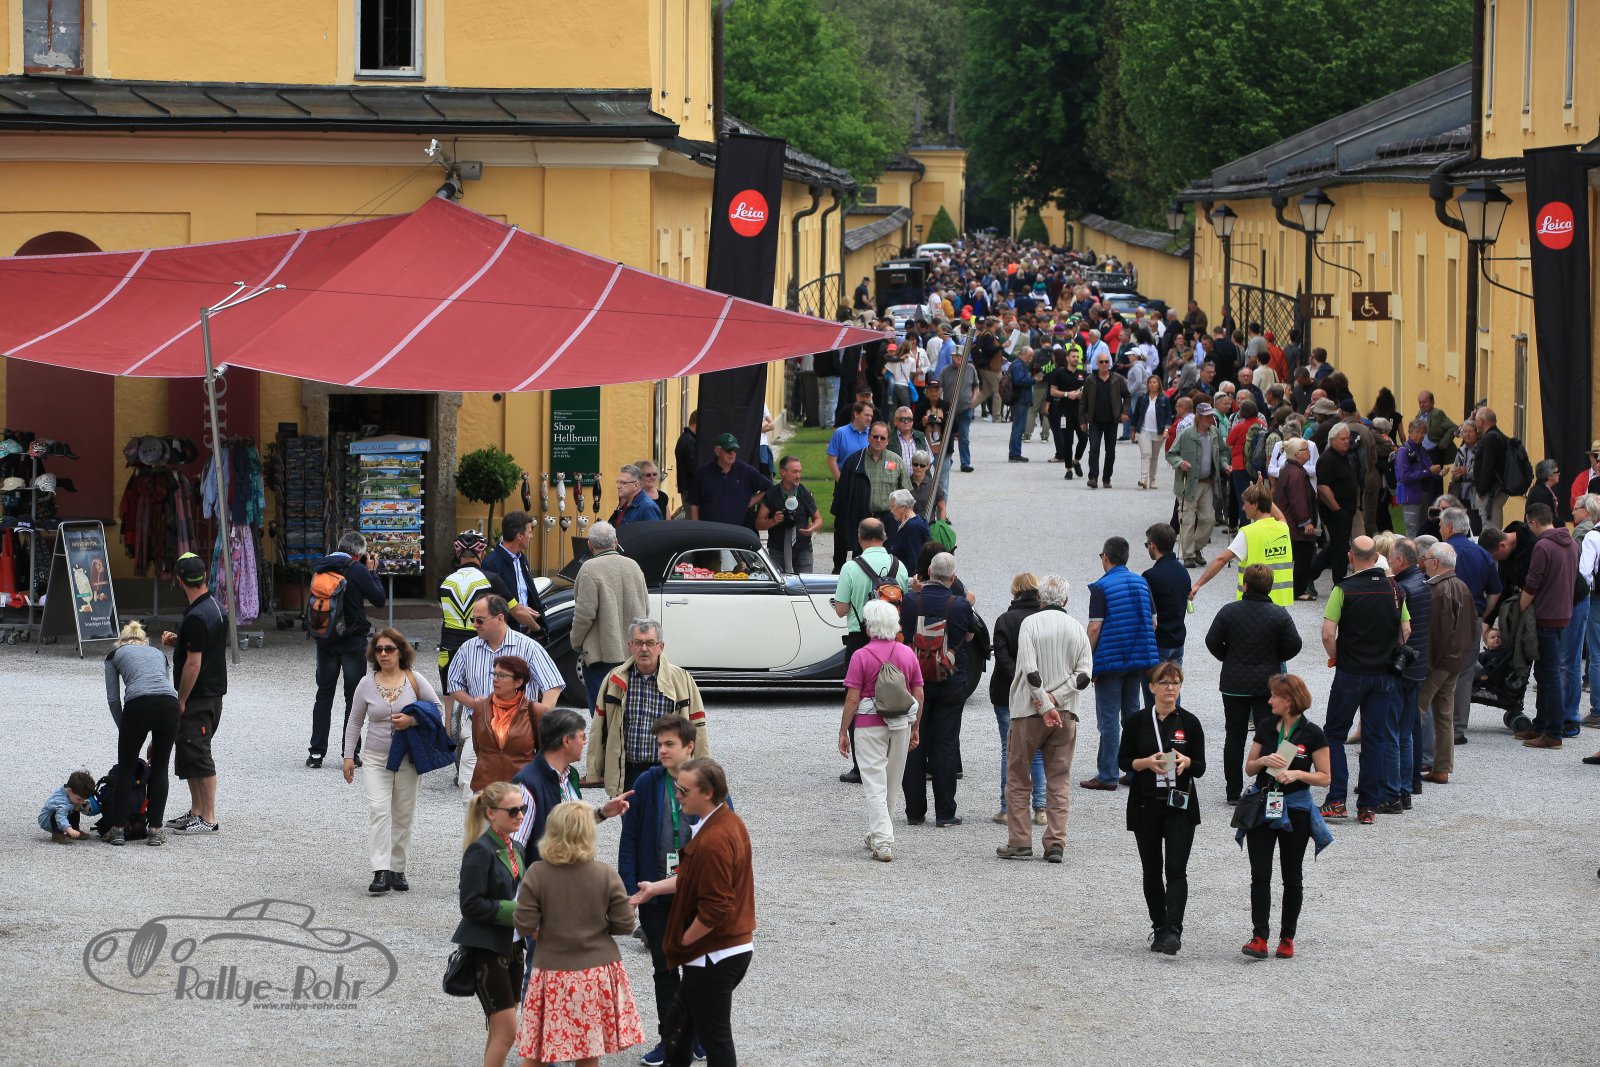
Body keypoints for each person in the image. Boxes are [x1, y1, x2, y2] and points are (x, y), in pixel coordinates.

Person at [627, 759, 755, 1067]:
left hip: (716, 955)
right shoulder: (721, 823)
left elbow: (715, 907)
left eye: (684, 791)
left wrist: (683, 944)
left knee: (713, 1037)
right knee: (679, 1027)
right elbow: (696, 876)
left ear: (707, 793)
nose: (678, 795)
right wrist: (654, 888)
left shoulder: (714, 840)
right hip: (724, 951)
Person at [513, 800, 643, 1067]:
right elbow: (625, 924)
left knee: (538, 1048)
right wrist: (599, 926)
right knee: (588, 1050)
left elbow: (524, 923)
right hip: (595, 970)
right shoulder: (605, 874)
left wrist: (542, 926)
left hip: (551, 970)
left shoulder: (538, 873)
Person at [619, 715, 716, 1065]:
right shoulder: (647, 782)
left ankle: (698, 1034)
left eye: (669, 744)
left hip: (696, 895)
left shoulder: (707, 782)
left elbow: (724, 834)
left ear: (689, 746)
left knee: (698, 969)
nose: (661, 750)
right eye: (659, 744)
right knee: (664, 969)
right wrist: (629, 889)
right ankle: (669, 1039)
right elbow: (629, 837)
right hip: (654, 893)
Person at [998, 574, 1092, 863]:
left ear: (1039, 598)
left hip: (1028, 712)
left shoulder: (1030, 624)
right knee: (1059, 780)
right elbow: (1084, 675)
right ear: (1066, 600)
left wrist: (1044, 702)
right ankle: (1055, 843)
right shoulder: (1077, 628)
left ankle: (1019, 841)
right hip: (1066, 714)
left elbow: (1029, 669)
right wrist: (1057, 699)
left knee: (1018, 777)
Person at [1240, 674, 1333, 961]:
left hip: (1296, 809)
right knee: (1260, 874)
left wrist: (1297, 774)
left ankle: (1287, 938)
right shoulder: (1266, 727)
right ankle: (1259, 936)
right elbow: (1249, 768)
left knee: (1292, 875)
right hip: (1263, 805)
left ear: (1289, 700)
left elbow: (1325, 777)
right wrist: (1263, 761)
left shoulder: (1313, 733)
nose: (1269, 701)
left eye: (1274, 696)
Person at [342, 627, 443, 894]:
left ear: (401, 651)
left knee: (403, 814)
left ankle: (398, 869)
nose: (384, 654)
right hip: (375, 758)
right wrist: (348, 756)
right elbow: (354, 721)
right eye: (379, 649)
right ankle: (380, 870)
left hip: (408, 758)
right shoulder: (366, 683)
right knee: (378, 810)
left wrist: (412, 720)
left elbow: (437, 709)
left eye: (389, 649)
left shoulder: (415, 679)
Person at [1118, 660, 1206, 953]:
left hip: (1179, 804)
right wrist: (1145, 763)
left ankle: (1174, 930)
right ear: (1152, 687)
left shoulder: (1189, 722)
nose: (1171, 688)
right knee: (1152, 868)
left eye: (1175, 683)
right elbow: (1123, 760)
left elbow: (1201, 767)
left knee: (1177, 869)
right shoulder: (1137, 721)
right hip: (1146, 803)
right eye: (1165, 682)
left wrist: (1187, 761)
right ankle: (1158, 927)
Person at [1320, 536, 1410, 824]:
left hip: (1350, 672)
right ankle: (1368, 805)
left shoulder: (1343, 589)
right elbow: (1406, 630)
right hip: (1383, 674)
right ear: (1376, 558)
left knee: (1334, 733)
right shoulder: (1394, 589)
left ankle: (1337, 799)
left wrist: (1336, 656)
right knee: (1375, 738)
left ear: (1351, 556)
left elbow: (1328, 633)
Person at [448, 595, 564, 802]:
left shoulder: (528, 647)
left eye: (480, 620)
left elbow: (553, 685)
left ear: (500, 618)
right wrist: (474, 704)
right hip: (480, 727)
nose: (474, 625)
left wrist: (540, 717)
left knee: (518, 794)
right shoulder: (467, 649)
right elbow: (454, 685)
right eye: (473, 620)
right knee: (471, 792)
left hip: (520, 729)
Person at [1205, 565, 1302, 803]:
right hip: (1266, 686)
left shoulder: (1228, 611)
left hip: (1233, 683)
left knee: (1234, 736)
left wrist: (1227, 657)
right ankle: (1266, 785)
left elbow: (1212, 640)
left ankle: (1232, 791)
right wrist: (1275, 656)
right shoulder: (1279, 614)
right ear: (1270, 587)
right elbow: (1294, 644)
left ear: (1245, 585)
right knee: (1269, 735)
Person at [839, 600, 926, 863]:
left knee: (874, 784)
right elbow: (919, 693)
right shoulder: (907, 653)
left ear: (870, 627)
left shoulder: (861, 656)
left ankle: (883, 841)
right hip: (900, 724)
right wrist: (916, 727)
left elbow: (852, 699)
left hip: (869, 725)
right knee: (891, 783)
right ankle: (878, 834)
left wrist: (843, 731)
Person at [455, 781, 530, 1067]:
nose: (520, 815)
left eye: (522, 809)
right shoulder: (479, 851)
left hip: (514, 947)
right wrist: (518, 911)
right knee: (507, 1033)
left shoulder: (516, 847)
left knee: (500, 1031)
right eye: (513, 811)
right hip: (487, 950)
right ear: (490, 813)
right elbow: (470, 905)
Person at [589, 618, 710, 796]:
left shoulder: (682, 679)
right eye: (638, 643)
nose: (644, 649)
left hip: (669, 771)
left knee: (668, 814)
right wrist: (594, 770)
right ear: (630, 646)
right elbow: (598, 728)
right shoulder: (614, 679)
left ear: (661, 647)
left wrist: (704, 772)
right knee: (630, 815)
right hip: (628, 772)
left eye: (650, 643)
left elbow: (698, 728)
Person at [900, 552, 976, 826]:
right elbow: (969, 636)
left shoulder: (911, 601)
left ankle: (914, 811)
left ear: (929, 572)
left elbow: (903, 632)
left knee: (913, 743)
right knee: (945, 745)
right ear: (952, 578)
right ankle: (945, 812)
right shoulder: (960, 605)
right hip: (949, 681)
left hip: (914, 680)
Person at [832, 518, 910, 783]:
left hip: (860, 638)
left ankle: (861, 764)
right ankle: (892, 756)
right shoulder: (899, 566)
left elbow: (841, 609)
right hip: (892, 637)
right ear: (885, 537)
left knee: (859, 697)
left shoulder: (851, 568)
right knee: (894, 692)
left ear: (859, 537)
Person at [1082, 538, 1159, 791]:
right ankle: (1133, 769)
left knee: (1109, 719)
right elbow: (1154, 622)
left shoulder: (1101, 587)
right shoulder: (1142, 583)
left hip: (1110, 661)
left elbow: (1095, 627)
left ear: (1105, 556)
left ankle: (1107, 774)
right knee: (1132, 715)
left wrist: (1087, 660)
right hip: (1138, 660)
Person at [307, 531, 387, 768]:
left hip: (325, 639)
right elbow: (379, 599)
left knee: (324, 695)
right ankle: (350, 752)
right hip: (352, 640)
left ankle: (316, 753)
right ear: (359, 553)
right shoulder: (357, 570)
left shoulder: (322, 567)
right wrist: (372, 572)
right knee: (353, 697)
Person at [160, 551, 225, 836]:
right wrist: (180, 641)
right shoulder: (214, 606)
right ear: (205, 576)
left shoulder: (197, 616)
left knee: (199, 754)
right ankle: (196, 810)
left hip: (198, 696)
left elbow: (194, 663)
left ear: (180, 580)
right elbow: (204, 647)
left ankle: (208, 817)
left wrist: (181, 699)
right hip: (212, 693)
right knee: (189, 752)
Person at [512, 710, 634, 862]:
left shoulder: (569, 775)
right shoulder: (527, 785)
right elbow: (515, 847)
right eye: (582, 737)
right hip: (547, 875)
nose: (585, 742)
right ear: (566, 741)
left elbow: (571, 824)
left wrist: (602, 813)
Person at [102, 620, 179, 846]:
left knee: (126, 768)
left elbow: (113, 699)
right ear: (144, 641)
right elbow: (165, 685)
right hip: (169, 705)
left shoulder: (114, 655)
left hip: (137, 704)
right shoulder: (159, 654)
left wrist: (124, 728)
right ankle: (155, 830)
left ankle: (118, 830)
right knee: (160, 767)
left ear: (122, 641)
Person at [439, 530, 518, 736]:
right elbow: (515, 609)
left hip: (449, 646)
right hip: (480, 643)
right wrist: (536, 626)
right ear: (482, 554)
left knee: (450, 695)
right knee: (489, 690)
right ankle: (493, 734)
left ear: (458, 554)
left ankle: (449, 738)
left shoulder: (443, 581)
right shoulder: (492, 579)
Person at [1515, 503, 1580, 750]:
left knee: (1549, 676)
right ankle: (1541, 725)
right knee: (1544, 673)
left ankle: (1552, 733)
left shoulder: (1543, 546)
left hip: (1545, 616)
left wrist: (1519, 610)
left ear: (1533, 522)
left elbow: (1532, 585)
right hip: (1564, 614)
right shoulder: (1571, 543)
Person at [569, 521, 649, 712]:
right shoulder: (633, 566)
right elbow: (645, 608)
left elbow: (584, 615)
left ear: (590, 544)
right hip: (632, 652)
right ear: (616, 542)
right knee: (628, 711)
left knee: (602, 714)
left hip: (600, 654)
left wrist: (576, 642)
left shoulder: (589, 568)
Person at [990, 573, 1048, 828]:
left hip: (1007, 692)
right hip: (1040, 692)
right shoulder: (1044, 619)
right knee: (1038, 750)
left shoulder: (1005, 619)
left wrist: (1019, 681)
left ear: (1015, 592)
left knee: (1010, 749)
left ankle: (1008, 808)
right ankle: (1041, 807)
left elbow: (1002, 657)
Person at [1417, 542, 1476, 786]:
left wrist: (1426, 666)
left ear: (1435, 562)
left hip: (1437, 662)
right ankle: (1441, 768)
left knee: (1416, 711)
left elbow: (1435, 633)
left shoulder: (1437, 590)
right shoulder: (1462, 586)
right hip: (1455, 660)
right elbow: (1471, 625)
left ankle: (1409, 765)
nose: (1424, 561)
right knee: (1444, 715)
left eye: (1426, 557)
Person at [1188, 481, 1294, 606]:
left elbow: (1222, 560)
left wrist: (1198, 584)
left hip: (1253, 602)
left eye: (1245, 503)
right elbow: (1280, 516)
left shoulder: (1248, 533)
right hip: (1280, 602)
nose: (1243, 508)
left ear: (1255, 504)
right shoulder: (1283, 528)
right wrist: (1262, 493)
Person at [1387, 539, 1431, 809]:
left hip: (1402, 667)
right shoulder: (1424, 583)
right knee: (1410, 728)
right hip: (1417, 664)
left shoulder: (1402, 589)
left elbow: (1396, 630)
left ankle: (1397, 788)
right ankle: (1411, 782)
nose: (1389, 562)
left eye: (1391, 558)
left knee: (1396, 732)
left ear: (1400, 561)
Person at [833, 422, 910, 560]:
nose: (878, 440)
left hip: (889, 519)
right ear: (868, 437)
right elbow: (842, 496)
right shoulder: (855, 461)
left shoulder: (896, 461)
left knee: (888, 559)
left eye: (882, 438)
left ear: (888, 441)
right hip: (863, 518)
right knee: (861, 560)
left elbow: (906, 494)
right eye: (875, 437)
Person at [1167, 402, 1226, 567]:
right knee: (1187, 520)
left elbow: (1222, 452)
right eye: (1207, 416)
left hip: (1207, 483)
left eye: (1212, 415)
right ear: (1199, 417)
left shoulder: (1214, 433)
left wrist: (1224, 464)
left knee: (1209, 519)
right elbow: (1171, 454)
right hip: (1188, 484)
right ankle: (1188, 556)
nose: (1211, 419)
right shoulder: (1186, 434)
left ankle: (1195, 548)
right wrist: (1180, 463)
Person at [481, 511, 547, 641]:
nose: (531, 536)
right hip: (506, 636)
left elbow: (529, 593)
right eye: (529, 532)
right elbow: (491, 605)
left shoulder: (521, 559)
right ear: (520, 536)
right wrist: (524, 617)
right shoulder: (491, 563)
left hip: (527, 634)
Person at [1311, 423, 1359, 587]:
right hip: (1335, 512)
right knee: (1339, 548)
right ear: (1332, 440)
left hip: (1346, 510)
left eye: (1348, 438)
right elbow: (1323, 488)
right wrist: (1337, 510)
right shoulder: (1327, 459)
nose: (1347, 441)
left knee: (1339, 546)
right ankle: (1337, 582)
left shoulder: (1344, 456)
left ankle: (1309, 576)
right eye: (1343, 439)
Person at [689, 434, 771, 530]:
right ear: (717, 451)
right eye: (728, 450)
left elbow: (768, 488)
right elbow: (694, 503)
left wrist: (749, 503)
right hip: (709, 531)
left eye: (735, 450)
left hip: (737, 531)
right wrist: (697, 528)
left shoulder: (745, 471)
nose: (732, 453)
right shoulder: (703, 473)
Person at [1275, 439, 1320, 599]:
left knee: (1295, 556)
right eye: (1305, 449)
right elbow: (1298, 500)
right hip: (1296, 525)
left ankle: (1294, 588)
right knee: (1303, 557)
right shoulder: (1296, 473)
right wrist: (1306, 522)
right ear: (1297, 454)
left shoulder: (1289, 469)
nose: (1309, 452)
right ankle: (1298, 591)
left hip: (1289, 522)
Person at [1079, 347, 1129, 489]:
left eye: (1106, 361)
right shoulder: (1090, 380)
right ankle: (1093, 477)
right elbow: (1083, 401)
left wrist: (1124, 412)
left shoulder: (1118, 379)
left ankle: (1106, 478)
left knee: (1110, 451)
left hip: (1112, 421)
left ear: (1110, 363)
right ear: (1097, 363)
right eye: (1101, 362)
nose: (1104, 364)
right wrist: (1082, 420)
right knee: (1094, 448)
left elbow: (1127, 396)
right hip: (1095, 420)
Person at [1394, 417, 1440, 536]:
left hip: (1424, 494)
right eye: (1417, 432)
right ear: (1410, 432)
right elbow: (1405, 477)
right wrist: (1428, 472)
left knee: (1423, 531)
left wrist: (1437, 472)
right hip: (1411, 496)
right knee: (1412, 532)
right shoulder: (1404, 451)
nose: (1420, 436)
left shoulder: (1422, 449)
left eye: (1423, 433)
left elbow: (1428, 469)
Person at [937, 344, 979, 473]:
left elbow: (975, 386)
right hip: (949, 409)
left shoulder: (971, 369)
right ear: (952, 357)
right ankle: (947, 460)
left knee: (964, 436)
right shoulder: (945, 371)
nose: (958, 358)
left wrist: (974, 400)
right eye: (956, 356)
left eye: (961, 356)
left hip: (966, 408)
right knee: (948, 437)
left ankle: (965, 463)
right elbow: (939, 388)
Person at [1129, 374, 1171, 490]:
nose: (1152, 385)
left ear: (1159, 384)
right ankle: (1144, 479)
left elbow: (1168, 416)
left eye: (1154, 382)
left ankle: (1152, 479)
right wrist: (1132, 429)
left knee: (1154, 457)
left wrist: (1166, 429)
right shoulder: (1142, 398)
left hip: (1158, 431)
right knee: (1146, 454)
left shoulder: (1164, 399)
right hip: (1143, 431)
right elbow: (1136, 415)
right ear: (1147, 385)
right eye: (1150, 383)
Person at [1471, 407, 1509, 529]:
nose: (1475, 423)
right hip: (1494, 491)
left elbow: (1488, 466)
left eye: (1476, 420)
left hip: (1490, 494)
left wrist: (1481, 489)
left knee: (1490, 531)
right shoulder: (1497, 435)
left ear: (1482, 421)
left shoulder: (1491, 438)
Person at [38, 769, 98, 843]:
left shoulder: (72, 793)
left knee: (76, 808)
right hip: (47, 820)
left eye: (84, 799)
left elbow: (77, 802)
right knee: (60, 813)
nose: (82, 802)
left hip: (63, 813)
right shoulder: (61, 801)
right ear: (69, 791)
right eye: (79, 799)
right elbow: (60, 816)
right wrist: (68, 829)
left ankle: (75, 830)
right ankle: (58, 834)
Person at [825, 401, 874, 483]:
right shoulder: (840, 433)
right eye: (866, 415)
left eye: (871, 416)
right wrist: (841, 482)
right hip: (845, 481)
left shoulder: (874, 434)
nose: (870, 418)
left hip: (868, 483)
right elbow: (831, 460)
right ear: (856, 414)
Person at [1006, 347, 1040, 461]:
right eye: (1029, 356)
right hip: (1020, 399)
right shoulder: (1018, 365)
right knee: (1018, 427)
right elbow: (1019, 380)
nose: (1030, 359)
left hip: (1021, 399)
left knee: (1018, 427)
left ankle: (1015, 452)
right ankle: (1014, 454)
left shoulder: (1019, 364)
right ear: (1023, 354)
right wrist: (1034, 380)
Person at [907, 449, 947, 522]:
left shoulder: (934, 485)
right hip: (909, 526)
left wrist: (941, 525)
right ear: (911, 464)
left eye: (922, 465)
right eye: (915, 464)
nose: (918, 467)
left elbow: (942, 509)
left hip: (929, 525)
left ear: (928, 466)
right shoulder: (905, 484)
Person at [674, 411, 699, 507]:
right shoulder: (689, 440)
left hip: (688, 489)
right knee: (692, 516)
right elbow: (692, 467)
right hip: (690, 489)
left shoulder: (687, 438)